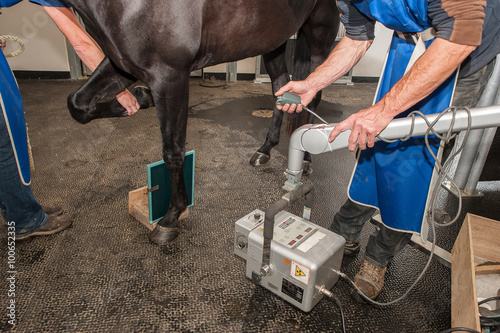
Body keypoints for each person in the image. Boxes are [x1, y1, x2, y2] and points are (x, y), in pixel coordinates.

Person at [277, 0, 500, 300]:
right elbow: (357, 36)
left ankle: (379, 256)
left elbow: (460, 34)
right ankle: (346, 229)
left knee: (414, 164)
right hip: (410, 43)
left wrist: (384, 110)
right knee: (376, 147)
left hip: (462, 54)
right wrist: (314, 82)